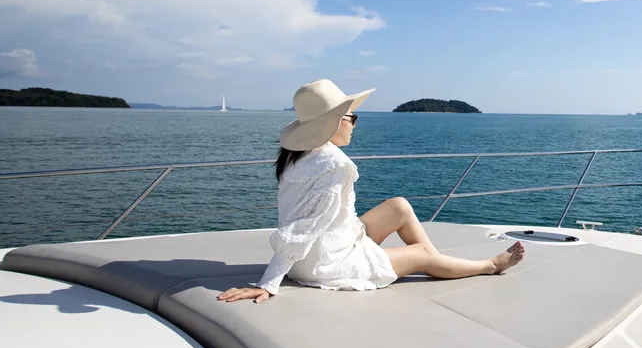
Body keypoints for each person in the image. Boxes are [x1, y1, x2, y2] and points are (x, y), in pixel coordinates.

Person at [218, 79, 524, 303]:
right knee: (421, 254)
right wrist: (269, 283)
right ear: (333, 122)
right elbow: (304, 227)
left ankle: (436, 261)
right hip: (326, 264)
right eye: (352, 118)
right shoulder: (334, 166)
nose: (354, 125)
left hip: (328, 246)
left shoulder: (300, 154)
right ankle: (488, 266)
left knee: (399, 206)